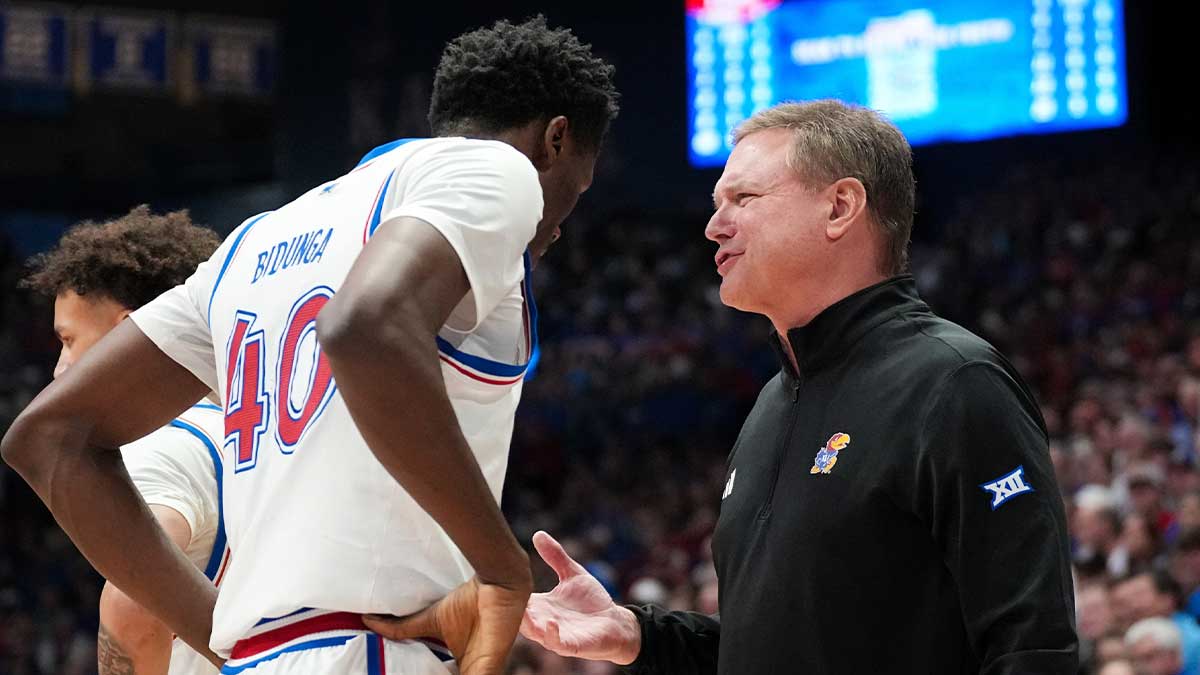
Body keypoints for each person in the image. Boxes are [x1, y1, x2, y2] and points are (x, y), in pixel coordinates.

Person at [2, 15, 618, 675]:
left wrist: (224, 640)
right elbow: (363, 328)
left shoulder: (254, 240)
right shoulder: (494, 169)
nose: (556, 229)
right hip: (375, 649)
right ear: (555, 139)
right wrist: (502, 566)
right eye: (576, 191)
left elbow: (47, 437)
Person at [520, 100, 1077, 673]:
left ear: (840, 207)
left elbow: (1032, 649)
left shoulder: (956, 383)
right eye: (718, 204)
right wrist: (637, 633)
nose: (714, 226)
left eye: (744, 199)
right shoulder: (771, 402)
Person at [20, 206, 226, 675]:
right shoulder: (250, 425)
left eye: (68, 340)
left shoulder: (163, 443)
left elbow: (132, 608)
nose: (59, 368)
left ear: (125, 334)